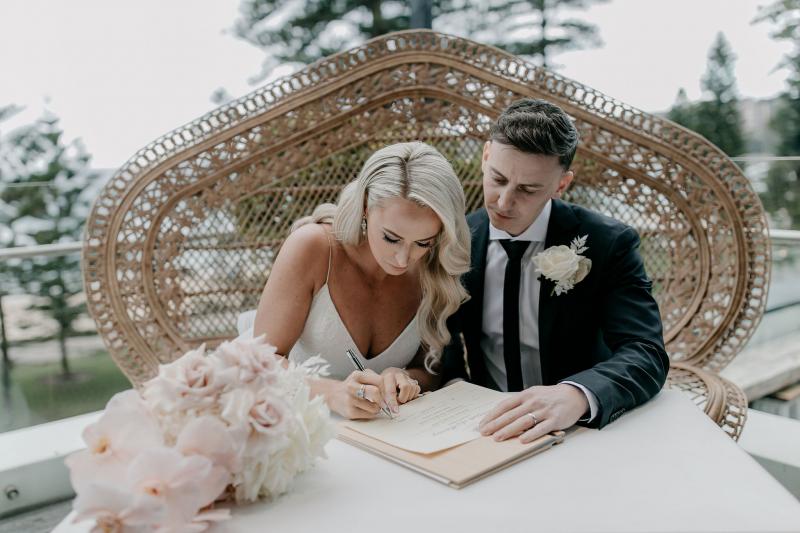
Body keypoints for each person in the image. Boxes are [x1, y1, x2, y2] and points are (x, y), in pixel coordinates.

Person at [440, 98, 669, 443]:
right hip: (486, 430)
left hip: (581, 431)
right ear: (486, 156)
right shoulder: (454, 240)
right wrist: (454, 389)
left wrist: (577, 395)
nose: (503, 202)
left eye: (528, 190)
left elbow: (645, 352)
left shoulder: (608, 244)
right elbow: (440, 343)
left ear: (561, 184)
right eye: (497, 179)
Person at [243, 142, 470, 420]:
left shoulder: (433, 269)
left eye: (423, 242)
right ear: (365, 207)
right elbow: (259, 365)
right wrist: (331, 393)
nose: (403, 259)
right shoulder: (313, 248)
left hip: (386, 437)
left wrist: (404, 378)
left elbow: (429, 372)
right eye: (391, 237)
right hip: (294, 424)